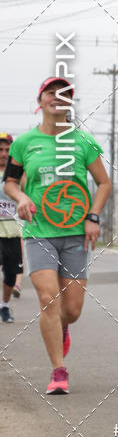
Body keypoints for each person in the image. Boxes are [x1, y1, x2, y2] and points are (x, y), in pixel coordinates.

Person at [3, 77, 111, 394]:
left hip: (76, 234)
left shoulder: (82, 142)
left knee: (72, 310)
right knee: (48, 298)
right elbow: (10, 181)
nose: (58, 98)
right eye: (52, 92)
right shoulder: (25, 143)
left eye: (64, 94)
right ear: (41, 100)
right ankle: (58, 371)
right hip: (39, 233)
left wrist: (93, 216)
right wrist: (22, 198)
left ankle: (63, 326)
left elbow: (103, 183)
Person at [0, 133, 22, 323]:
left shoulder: (17, 175)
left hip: (13, 231)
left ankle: (4, 306)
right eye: (0, 150)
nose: (4, 154)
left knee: (11, 274)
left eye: (7, 150)